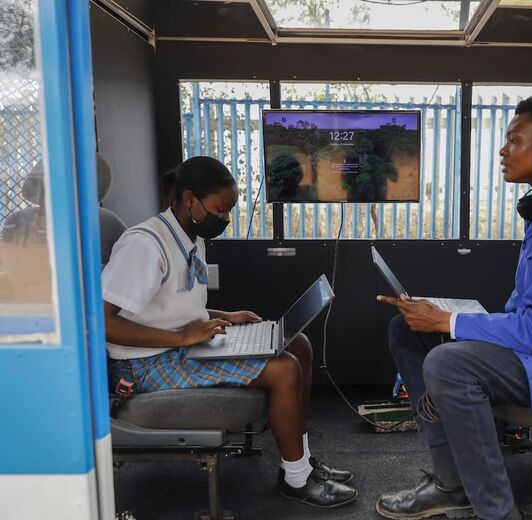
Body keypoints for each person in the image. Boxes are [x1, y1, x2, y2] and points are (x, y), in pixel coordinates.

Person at [375, 95, 532, 520]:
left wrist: (450, 321)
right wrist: (444, 321)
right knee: (407, 331)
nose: (503, 151)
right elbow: (528, 314)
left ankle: (496, 512)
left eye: (514, 140)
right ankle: (450, 483)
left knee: (448, 365)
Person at [102, 156, 357, 508]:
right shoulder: (145, 245)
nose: (224, 218)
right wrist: (181, 338)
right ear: (189, 199)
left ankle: (301, 462)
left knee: (298, 346)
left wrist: (225, 315)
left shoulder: (189, 237)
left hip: (179, 346)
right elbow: (102, 323)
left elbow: (167, 305)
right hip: (144, 365)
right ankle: (296, 481)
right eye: (220, 210)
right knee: (283, 370)